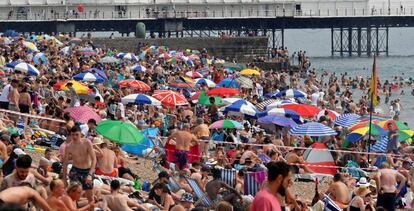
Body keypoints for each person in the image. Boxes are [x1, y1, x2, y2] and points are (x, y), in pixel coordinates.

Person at [62, 126, 97, 205]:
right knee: (73, 196)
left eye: (76, 134)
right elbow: (65, 163)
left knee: (90, 197)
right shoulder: (69, 146)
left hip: (87, 171)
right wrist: (64, 179)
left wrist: (90, 174)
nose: (74, 137)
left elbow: (94, 159)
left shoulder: (87, 142)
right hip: (75, 171)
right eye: (72, 135)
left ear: (81, 134)